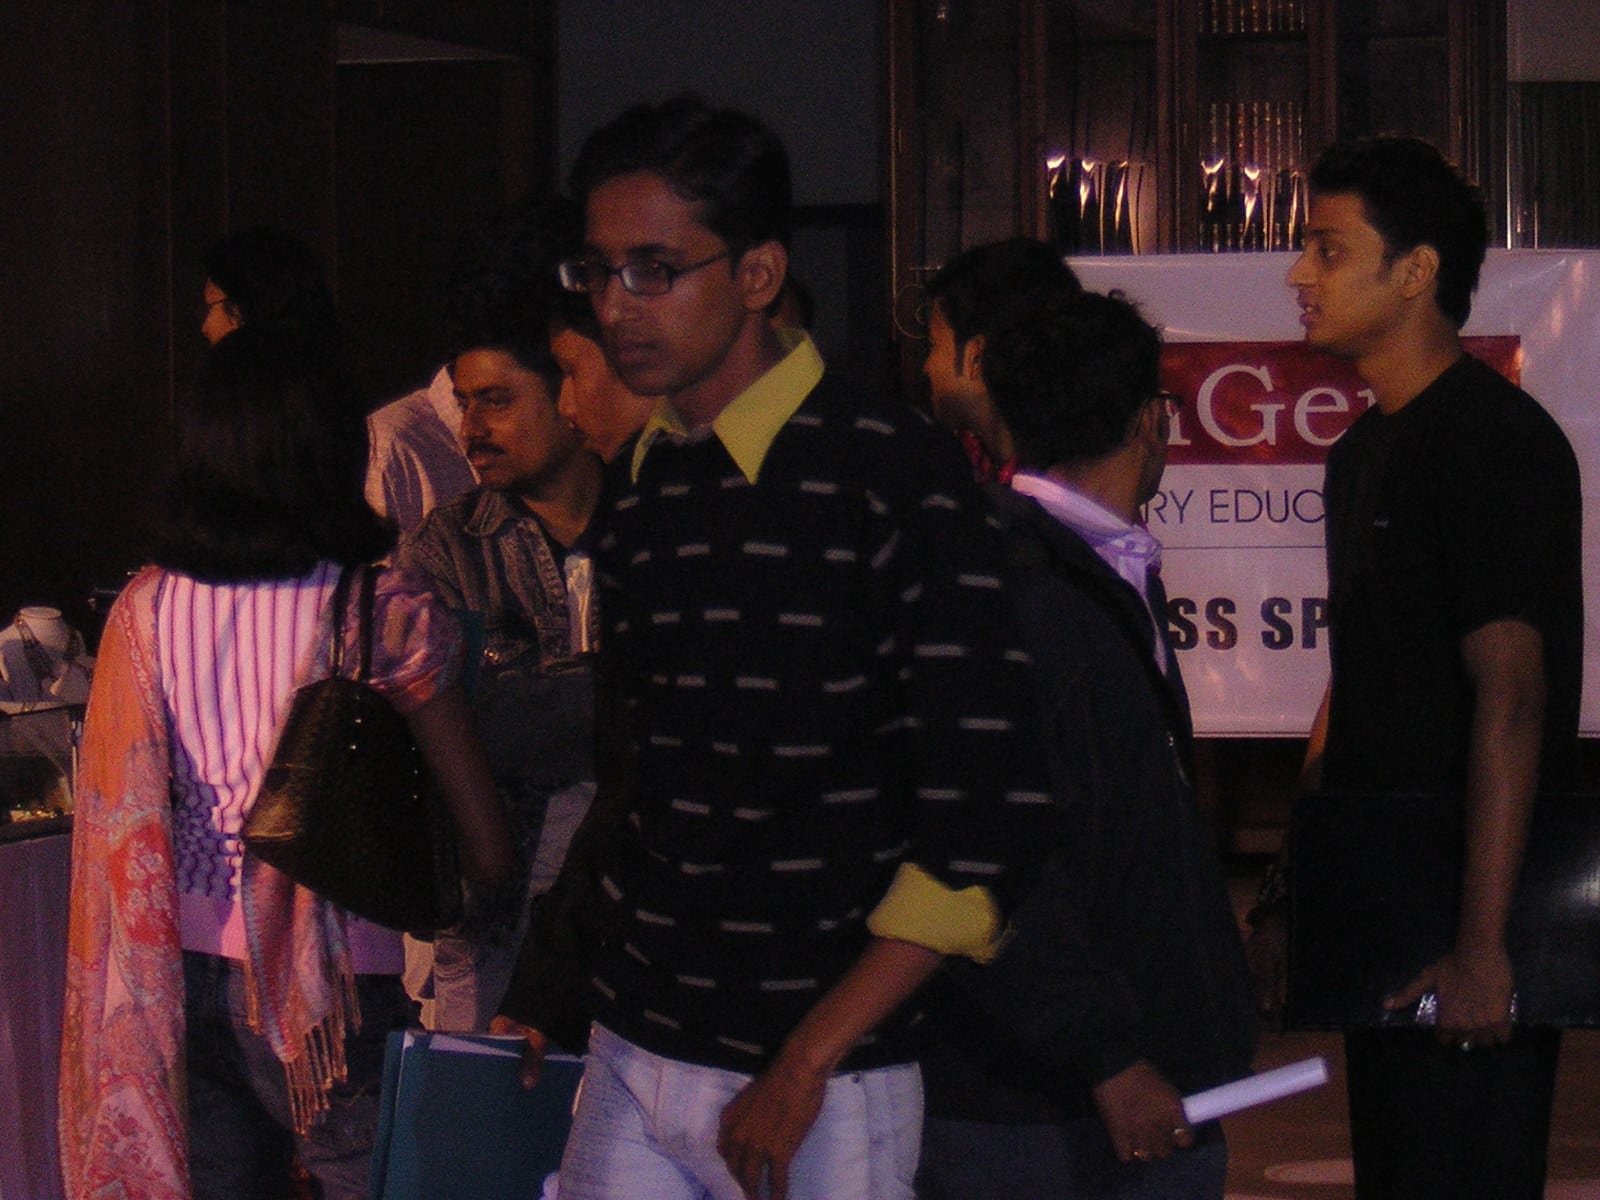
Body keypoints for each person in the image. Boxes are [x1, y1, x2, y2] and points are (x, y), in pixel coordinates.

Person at [494, 93, 1054, 1200]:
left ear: (757, 274)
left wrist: (807, 1061)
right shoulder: (649, 476)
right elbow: (642, 783)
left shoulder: (891, 474)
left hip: (822, 1078)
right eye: (599, 272)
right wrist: (555, 986)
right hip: (633, 1041)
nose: (617, 306)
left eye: (655, 270)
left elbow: (989, 813)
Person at [58, 326, 512, 1200]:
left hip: (170, 982)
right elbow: (486, 846)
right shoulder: (380, 607)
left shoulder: (142, 612)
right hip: (335, 995)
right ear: (335, 451)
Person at [1253, 135, 1583, 1199]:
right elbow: (1359, 675)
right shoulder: (1363, 450)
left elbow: (1514, 695)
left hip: (1470, 915)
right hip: (1382, 906)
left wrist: (1483, 944)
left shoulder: (1492, 441)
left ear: (1416, 271)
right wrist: (1295, 890)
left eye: (1328, 249)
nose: (1299, 274)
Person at [916, 289, 1256, 1200]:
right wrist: (1108, 1055)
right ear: (1153, 421)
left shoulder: (1074, 571)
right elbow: (993, 859)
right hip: (1052, 1112)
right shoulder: (1026, 593)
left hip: (1096, 1080)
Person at [399, 193, 605, 1031]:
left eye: (497, 400)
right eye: (463, 403)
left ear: (570, 394)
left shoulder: (650, 525)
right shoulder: (449, 548)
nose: (471, 429)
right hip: (493, 918)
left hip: (624, 918)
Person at [923, 238, 1082, 482]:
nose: (926, 367)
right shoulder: (960, 464)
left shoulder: (1054, 489)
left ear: (975, 358)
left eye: (934, 344)